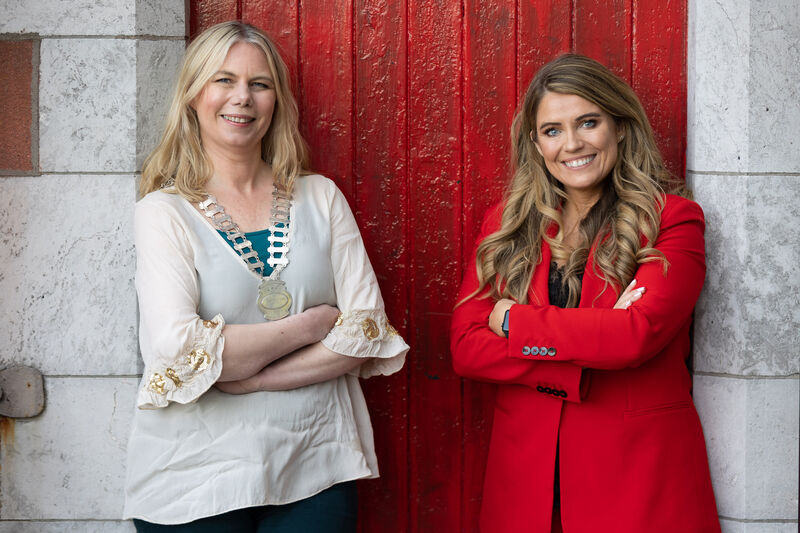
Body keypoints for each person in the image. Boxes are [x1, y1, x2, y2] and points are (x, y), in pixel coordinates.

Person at [123, 21, 408, 532]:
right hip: (194, 476)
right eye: (224, 80)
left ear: (276, 101)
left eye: (260, 84)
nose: (243, 98)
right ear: (193, 94)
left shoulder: (320, 197)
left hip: (315, 461)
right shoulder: (163, 212)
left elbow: (365, 332)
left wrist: (251, 376)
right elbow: (177, 349)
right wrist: (311, 325)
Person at [450, 54, 720, 533]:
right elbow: (467, 347)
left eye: (588, 123)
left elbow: (635, 335)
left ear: (620, 126)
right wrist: (586, 354)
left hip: (637, 483)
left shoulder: (672, 220)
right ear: (536, 144)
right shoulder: (507, 224)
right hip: (528, 487)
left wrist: (513, 321)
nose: (571, 144)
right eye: (552, 130)